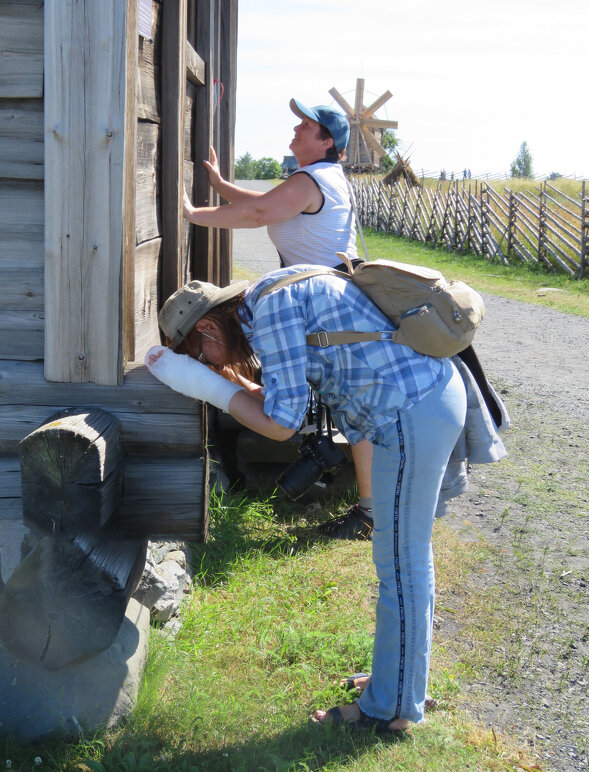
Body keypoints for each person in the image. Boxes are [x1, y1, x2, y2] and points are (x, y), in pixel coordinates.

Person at [145, 265, 467, 732]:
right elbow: (285, 398)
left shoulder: (271, 310)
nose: (215, 367)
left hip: (411, 414)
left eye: (204, 358)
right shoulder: (272, 294)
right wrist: (225, 382)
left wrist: (212, 388)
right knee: (402, 561)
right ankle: (398, 683)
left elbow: (281, 423)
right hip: (419, 403)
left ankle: (388, 710)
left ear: (208, 327)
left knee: (403, 565)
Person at [182, 98, 373, 539]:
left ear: (327, 141)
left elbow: (259, 213)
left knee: (352, 407)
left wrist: (193, 215)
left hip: (317, 310)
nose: (296, 129)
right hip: (325, 306)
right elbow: (264, 203)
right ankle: (368, 508)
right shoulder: (320, 179)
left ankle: (368, 512)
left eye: (306, 126)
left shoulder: (311, 179)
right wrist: (222, 185)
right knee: (351, 405)